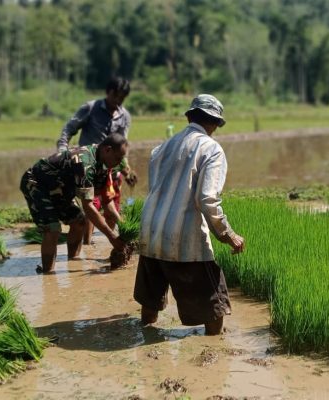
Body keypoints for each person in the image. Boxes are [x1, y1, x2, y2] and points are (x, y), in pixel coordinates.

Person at [133, 94, 245, 336]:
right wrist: (228, 234)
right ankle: (213, 349)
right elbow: (206, 199)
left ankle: (145, 337)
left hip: (150, 231)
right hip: (185, 237)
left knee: (150, 300)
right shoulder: (211, 149)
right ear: (215, 123)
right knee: (214, 307)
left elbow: (156, 190)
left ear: (188, 116)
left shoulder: (161, 148)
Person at [21, 133, 129, 274]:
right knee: (52, 228)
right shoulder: (85, 163)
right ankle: (48, 274)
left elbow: (107, 201)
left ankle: (72, 261)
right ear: (107, 150)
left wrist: (124, 228)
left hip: (61, 188)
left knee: (79, 221)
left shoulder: (105, 163)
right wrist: (112, 237)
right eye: (118, 158)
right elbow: (88, 206)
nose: (119, 162)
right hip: (38, 184)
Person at [57, 77, 138, 244]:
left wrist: (126, 167)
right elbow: (68, 129)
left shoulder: (124, 116)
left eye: (123, 99)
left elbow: (122, 145)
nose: (119, 102)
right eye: (117, 97)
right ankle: (87, 244)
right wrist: (63, 152)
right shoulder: (91, 108)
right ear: (108, 92)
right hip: (89, 167)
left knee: (112, 206)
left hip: (112, 169)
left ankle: (114, 244)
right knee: (91, 206)